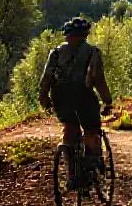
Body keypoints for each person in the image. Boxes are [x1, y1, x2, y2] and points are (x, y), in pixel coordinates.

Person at [39, 18, 114, 189]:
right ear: (85, 35)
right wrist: (107, 101)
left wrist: (44, 99)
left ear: (67, 36)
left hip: (61, 97)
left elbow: (46, 79)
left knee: (70, 128)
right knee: (90, 129)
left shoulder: (56, 53)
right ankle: (91, 162)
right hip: (83, 96)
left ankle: (72, 175)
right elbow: (98, 79)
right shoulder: (93, 52)